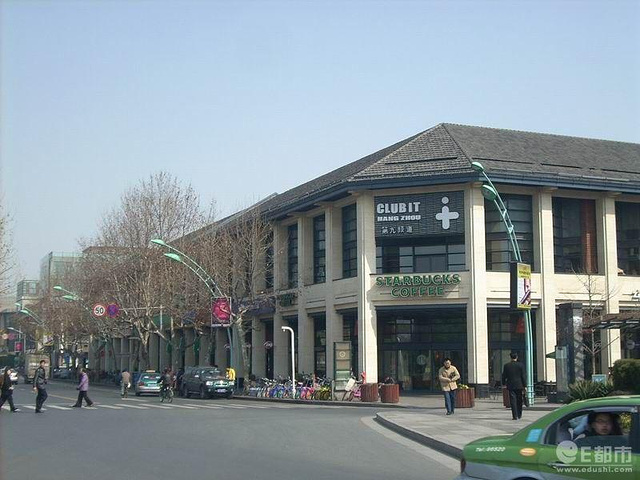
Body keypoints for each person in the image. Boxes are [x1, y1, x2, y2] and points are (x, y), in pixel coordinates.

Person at [502, 352, 526, 420]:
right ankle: (519, 414)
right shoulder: (521, 365)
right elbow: (523, 376)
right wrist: (525, 385)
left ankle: (514, 416)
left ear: (510, 357)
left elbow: (504, 376)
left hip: (511, 385)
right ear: (517, 357)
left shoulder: (507, 365)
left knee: (513, 400)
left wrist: (503, 383)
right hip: (519, 385)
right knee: (519, 400)